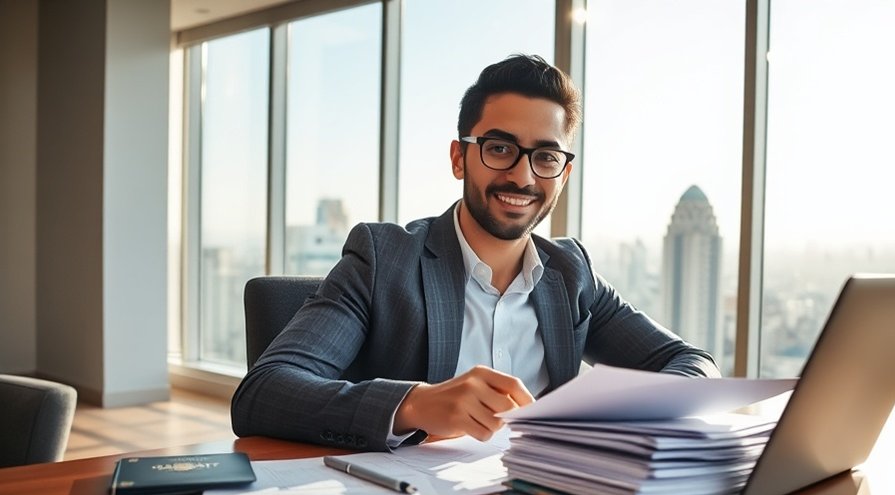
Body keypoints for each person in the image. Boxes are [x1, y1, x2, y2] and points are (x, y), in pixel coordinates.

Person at [231, 54, 720, 452]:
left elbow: (692, 363)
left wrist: (606, 409)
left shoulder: (572, 274)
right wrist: (414, 405)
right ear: (459, 157)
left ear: (563, 175)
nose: (524, 177)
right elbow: (263, 391)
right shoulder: (384, 259)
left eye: (546, 157)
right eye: (500, 148)